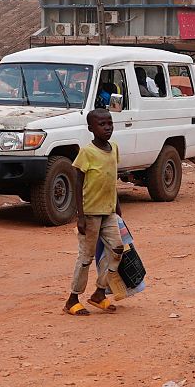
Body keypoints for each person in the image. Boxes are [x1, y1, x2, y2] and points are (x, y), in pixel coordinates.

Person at [64, 108, 126, 316]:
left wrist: (117, 208)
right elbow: (78, 182)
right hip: (90, 213)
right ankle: (72, 298)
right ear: (91, 128)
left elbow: (111, 179)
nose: (107, 127)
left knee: (117, 249)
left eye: (110, 123)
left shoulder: (114, 148)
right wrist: (79, 216)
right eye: (102, 124)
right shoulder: (87, 152)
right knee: (86, 257)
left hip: (108, 212)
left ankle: (100, 292)